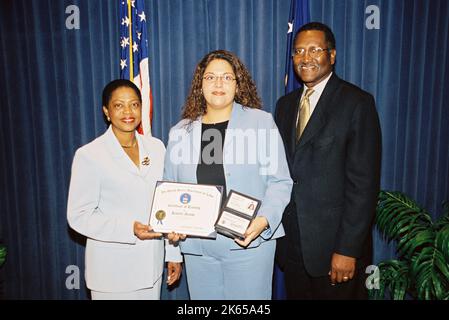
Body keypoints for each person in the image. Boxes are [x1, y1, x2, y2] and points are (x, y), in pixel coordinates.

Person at [164, 50, 292, 299]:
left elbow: (280, 181)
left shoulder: (260, 123)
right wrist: (172, 237)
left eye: (226, 77)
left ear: (238, 83)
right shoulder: (180, 131)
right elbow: (171, 189)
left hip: (249, 244)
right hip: (198, 249)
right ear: (200, 85)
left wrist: (264, 220)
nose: (218, 83)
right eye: (210, 77)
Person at [275, 22, 382, 299]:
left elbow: (364, 185)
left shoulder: (357, 103)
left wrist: (347, 250)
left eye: (314, 49)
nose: (305, 57)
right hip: (294, 249)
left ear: (332, 55)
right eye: (298, 51)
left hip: (335, 252)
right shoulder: (284, 106)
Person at [67, 79, 182, 300]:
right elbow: (78, 216)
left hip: (151, 268)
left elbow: (167, 204)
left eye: (134, 104)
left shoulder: (157, 148)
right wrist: (129, 229)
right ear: (106, 112)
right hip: (112, 273)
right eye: (119, 105)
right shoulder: (90, 155)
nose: (128, 111)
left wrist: (173, 253)